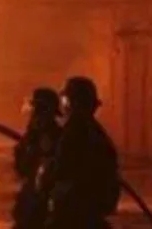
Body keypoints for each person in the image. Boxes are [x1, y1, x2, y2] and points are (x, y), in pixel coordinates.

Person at [43, 76, 121, 229]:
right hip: (88, 212)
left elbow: (60, 169)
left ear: (72, 102)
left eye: (66, 100)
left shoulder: (75, 132)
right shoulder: (95, 133)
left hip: (74, 214)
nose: (64, 106)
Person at [12, 87, 63, 229]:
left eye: (36, 111)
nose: (33, 116)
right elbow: (21, 169)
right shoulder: (32, 137)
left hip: (44, 209)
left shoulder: (56, 139)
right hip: (30, 206)